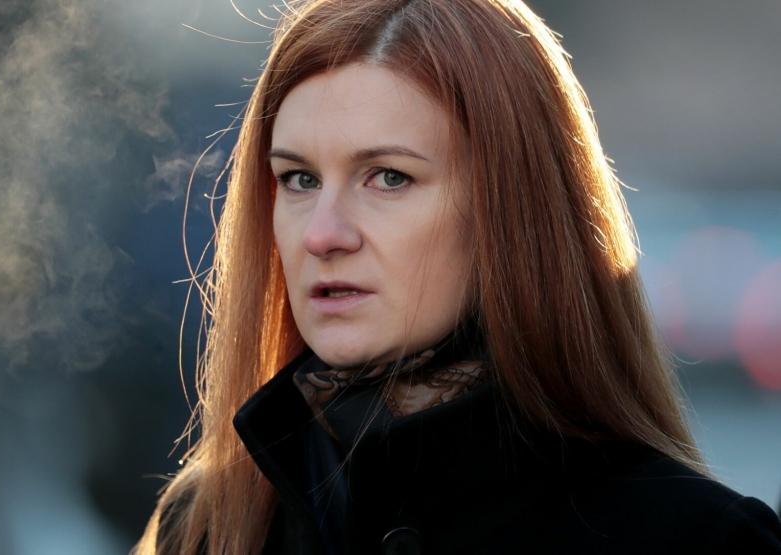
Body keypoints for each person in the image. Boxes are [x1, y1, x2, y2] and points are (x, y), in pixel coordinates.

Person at [134, 0, 781, 553]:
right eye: (298, 178)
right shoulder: (209, 527)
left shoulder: (696, 540)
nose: (321, 234)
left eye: (389, 176)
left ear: (510, 212)